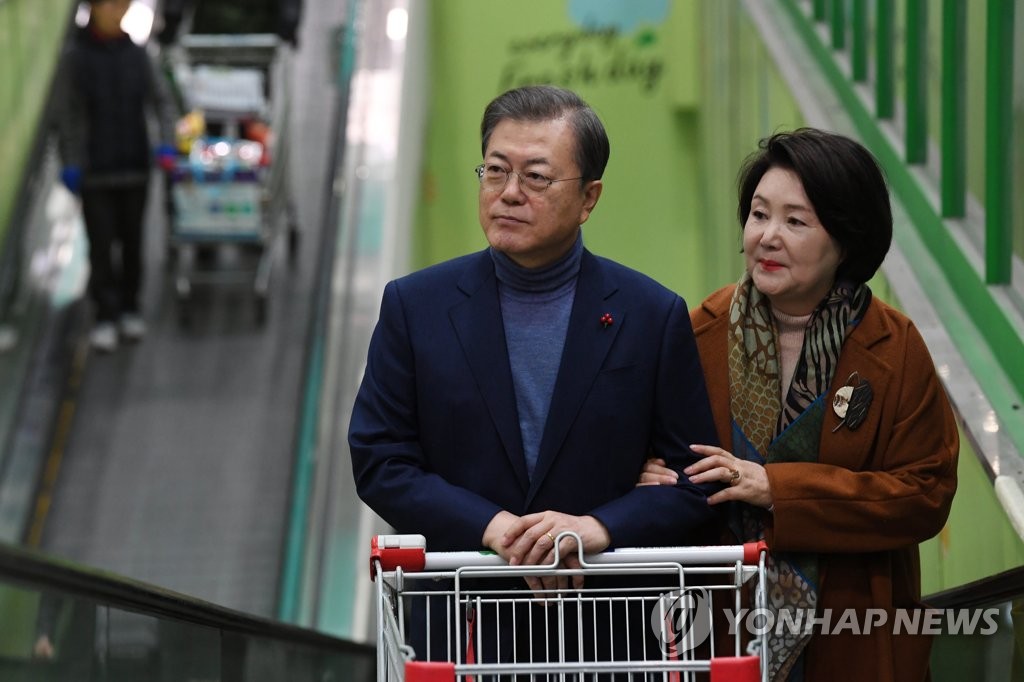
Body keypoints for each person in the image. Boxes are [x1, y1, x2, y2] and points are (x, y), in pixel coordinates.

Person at [349, 84, 721, 667]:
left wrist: (598, 527)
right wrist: (494, 527)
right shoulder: (415, 306)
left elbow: (697, 482)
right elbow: (380, 460)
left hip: (610, 629)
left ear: (589, 197)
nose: (508, 193)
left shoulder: (650, 314)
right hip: (462, 625)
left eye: (537, 177)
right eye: (495, 171)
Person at [639, 128, 959, 681]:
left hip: (853, 634)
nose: (768, 236)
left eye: (795, 222)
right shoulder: (698, 332)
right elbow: (648, 448)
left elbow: (925, 493)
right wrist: (645, 472)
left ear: (846, 239)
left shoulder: (894, 347)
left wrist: (778, 489)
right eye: (759, 214)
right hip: (719, 628)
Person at [54, 0, 177, 352]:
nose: (115, 11)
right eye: (109, 4)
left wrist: (166, 143)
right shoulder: (75, 59)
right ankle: (105, 315)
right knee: (101, 246)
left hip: (134, 168)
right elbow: (67, 115)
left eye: (121, 5)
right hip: (96, 174)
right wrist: (71, 161)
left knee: (133, 243)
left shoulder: (137, 55)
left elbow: (162, 101)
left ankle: (130, 307)